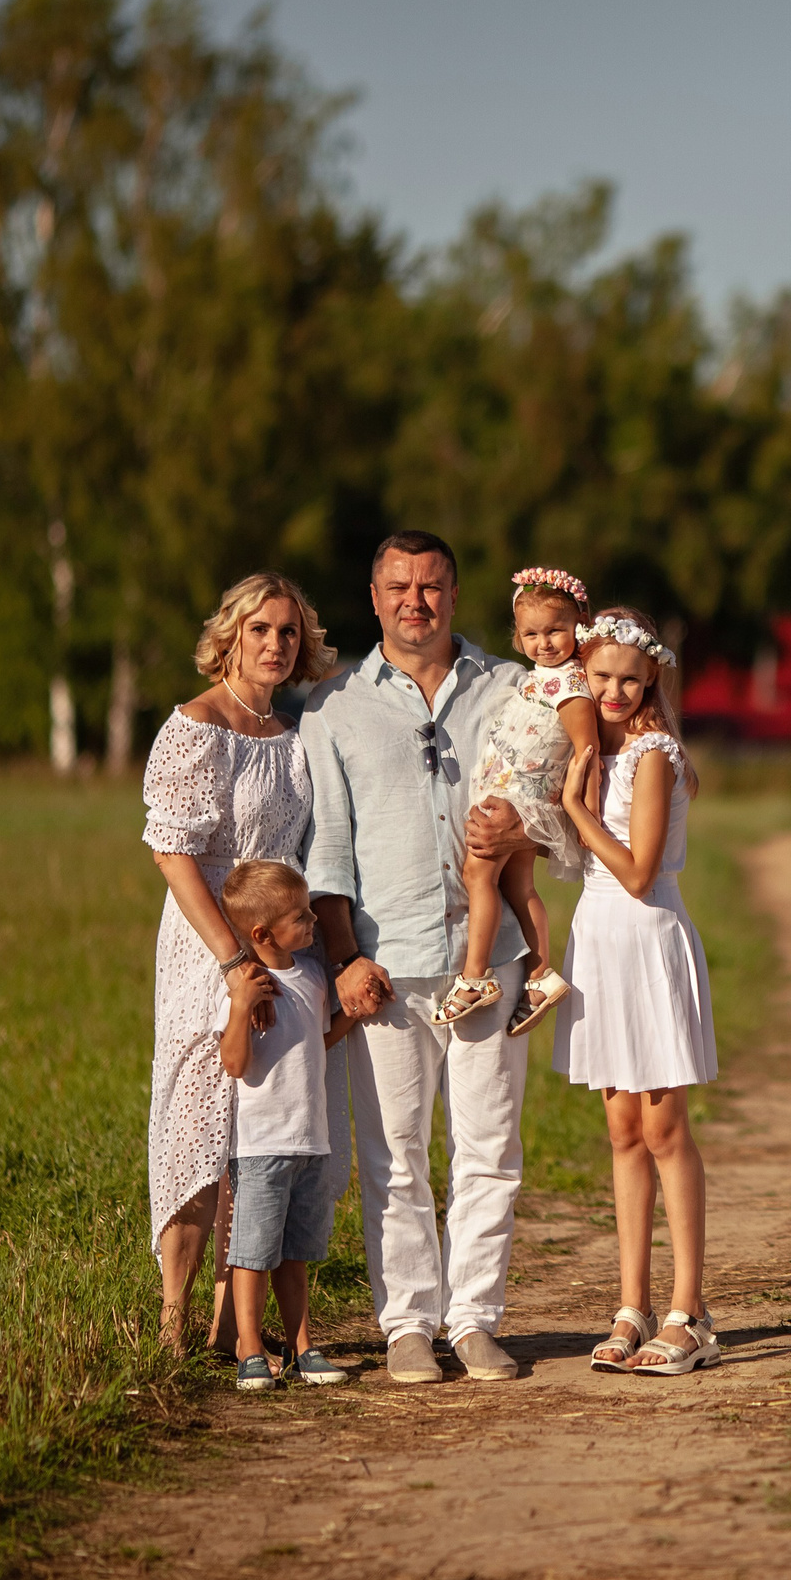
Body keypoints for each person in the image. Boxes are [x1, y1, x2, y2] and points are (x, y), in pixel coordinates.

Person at [299, 530, 541, 1385]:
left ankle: (474, 1318)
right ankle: (407, 1321)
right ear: (373, 597)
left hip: (492, 956)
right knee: (396, 1151)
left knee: (489, 1144)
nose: (416, 600)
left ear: (455, 591)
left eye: (431, 585)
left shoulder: (511, 689)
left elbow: (552, 795)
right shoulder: (334, 709)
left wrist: (525, 826)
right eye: (398, 585)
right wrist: (343, 959)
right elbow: (326, 852)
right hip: (388, 962)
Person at [142, 571, 333, 1352]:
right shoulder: (194, 726)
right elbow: (173, 852)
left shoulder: (293, 736)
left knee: (260, 1127)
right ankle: (172, 1323)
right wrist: (229, 960)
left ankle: (236, 1321)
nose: (275, 645)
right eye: (260, 629)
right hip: (208, 944)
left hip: (282, 949)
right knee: (198, 1122)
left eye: (288, 632)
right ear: (230, 635)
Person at [555, 609, 722, 1377]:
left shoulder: (653, 752)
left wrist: (577, 809)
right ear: (582, 675)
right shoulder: (595, 748)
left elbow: (638, 871)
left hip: (648, 939)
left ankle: (689, 1309)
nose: (614, 690)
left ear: (652, 674)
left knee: (663, 1130)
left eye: (629, 676)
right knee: (621, 1129)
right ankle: (632, 1302)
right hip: (599, 944)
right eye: (601, 676)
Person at [433, 566, 601, 1035]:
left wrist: (589, 819)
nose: (544, 642)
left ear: (578, 627)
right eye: (532, 633)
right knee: (517, 886)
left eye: (555, 630)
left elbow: (588, 755)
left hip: (521, 797)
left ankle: (474, 976)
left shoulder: (569, 686)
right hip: (511, 792)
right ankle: (541, 973)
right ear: (518, 635)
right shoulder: (539, 676)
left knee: (477, 872)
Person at [212, 862, 358, 1390]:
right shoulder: (247, 985)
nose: (314, 919)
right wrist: (240, 1007)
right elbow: (233, 1062)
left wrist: (352, 1014)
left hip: (310, 1140)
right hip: (260, 1144)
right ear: (262, 934)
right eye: (301, 916)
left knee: (295, 1252)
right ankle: (248, 1348)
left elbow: (314, 1044)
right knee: (253, 1252)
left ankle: (303, 1346)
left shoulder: (313, 975)